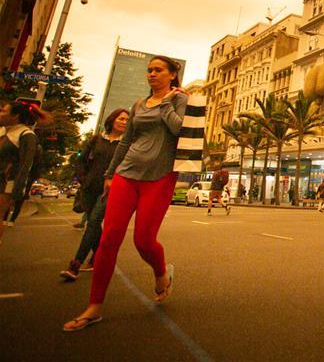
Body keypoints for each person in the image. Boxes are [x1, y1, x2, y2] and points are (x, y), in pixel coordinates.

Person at [63, 55, 187, 332]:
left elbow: (179, 129)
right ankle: (94, 306)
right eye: (149, 70)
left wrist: (167, 102)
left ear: (171, 75)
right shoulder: (138, 105)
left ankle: (161, 274)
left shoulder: (180, 99)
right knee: (108, 238)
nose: (152, 74)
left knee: (144, 240)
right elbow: (126, 142)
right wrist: (110, 173)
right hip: (126, 174)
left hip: (160, 176)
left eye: (158, 70)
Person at [60, 109, 129, 281]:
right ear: (112, 120)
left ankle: (75, 265)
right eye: (121, 119)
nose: (124, 122)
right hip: (90, 187)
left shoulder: (127, 144)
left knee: (93, 222)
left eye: (128, 120)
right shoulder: (97, 139)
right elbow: (81, 161)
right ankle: (99, 257)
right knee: (93, 224)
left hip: (110, 189)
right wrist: (83, 179)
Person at [0, 101, 40, 245]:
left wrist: (18, 189)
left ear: (15, 116)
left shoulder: (26, 135)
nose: (1, 114)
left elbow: (26, 165)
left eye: (4, 111)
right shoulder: (3, 131)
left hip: (6, 183)